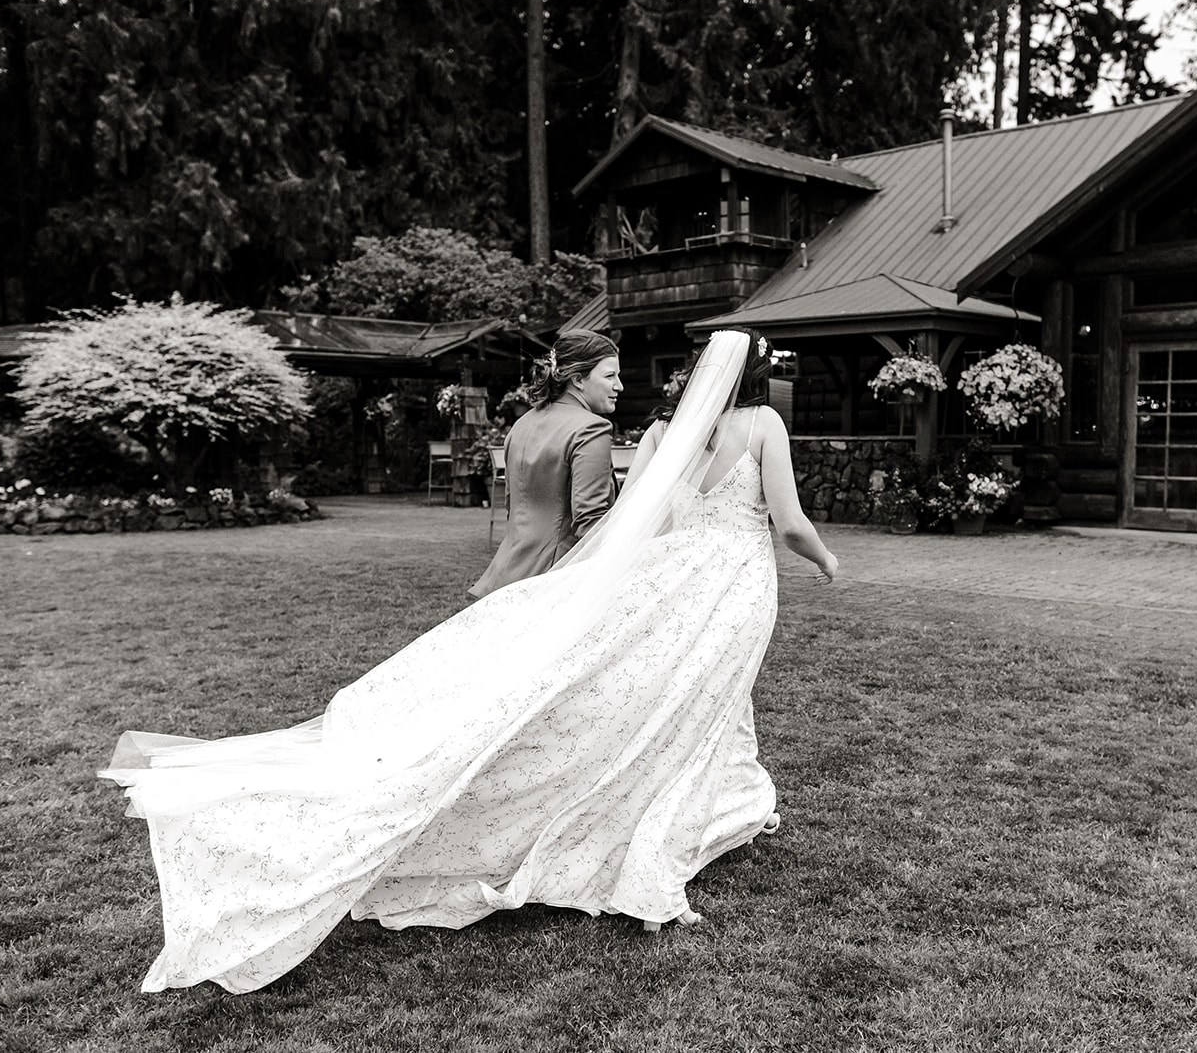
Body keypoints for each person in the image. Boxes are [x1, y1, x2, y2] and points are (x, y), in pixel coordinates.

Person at [98, 328, 839, 994]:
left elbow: (611, 514)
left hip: (540, 578)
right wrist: (822, 562)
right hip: (648, 583)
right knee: (641, 706)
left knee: (587, 701)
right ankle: (621, 827)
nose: (617, 385)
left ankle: (728, 799)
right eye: (608, 373)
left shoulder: (593, 429)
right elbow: (642, 523)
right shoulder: (705, 427)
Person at [469, 330, 623, 599]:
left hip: (506, 573)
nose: (619, 386)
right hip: (555, 580)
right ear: (577, 379)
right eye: (610, 376)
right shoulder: (592, 429)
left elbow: (512, 507)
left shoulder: (521, 424)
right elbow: (590, 521)